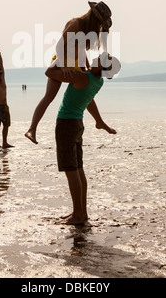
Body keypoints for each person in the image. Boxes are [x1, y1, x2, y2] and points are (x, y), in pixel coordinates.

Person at [45, 51, 121, 225]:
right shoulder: (97, 80)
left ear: (101, 66)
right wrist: (100, 122)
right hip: (77, 123)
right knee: (78, 168)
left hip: (66, 124)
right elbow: (89, 101)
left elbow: (49, 73)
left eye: (97, 59)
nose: (93, 59)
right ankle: (81, 212)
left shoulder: (81, 77)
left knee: (71, 169)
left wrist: (61, 57)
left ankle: (78, 215)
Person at [25, 1, 113, 144]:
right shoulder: (76, 24)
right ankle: (32, 129)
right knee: (49, 97)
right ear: (95, 18)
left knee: (86, 92)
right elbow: (60, 45)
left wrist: (86, 66)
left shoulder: (86, 30)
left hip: (75, 63)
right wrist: (63, 65)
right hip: (61, 61)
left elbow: (81, 48)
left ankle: (99, 122)